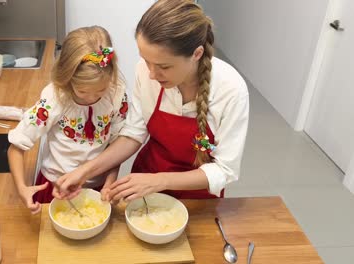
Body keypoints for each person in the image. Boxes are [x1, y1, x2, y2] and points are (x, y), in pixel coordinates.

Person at [54, 0, 249, 203]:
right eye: (146, 61)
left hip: (197, 197)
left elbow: (225, 170)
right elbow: (133, 134)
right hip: (147, 182)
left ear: (196, 54)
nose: (152, 74)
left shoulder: (231, 90)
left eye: (164, 66)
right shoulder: (145, 71)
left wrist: (160, 181)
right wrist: (84, 172)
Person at [7, 26, 129, 214]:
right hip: (54, 187)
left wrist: (109, 184)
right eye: (82, 91)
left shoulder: (116, 94)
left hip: (97, 187)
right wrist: (22, 188)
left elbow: (117, 147)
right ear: (66, 78)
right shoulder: (55, 98)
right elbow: (16, 147)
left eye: (100, 91)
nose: (91, 98)